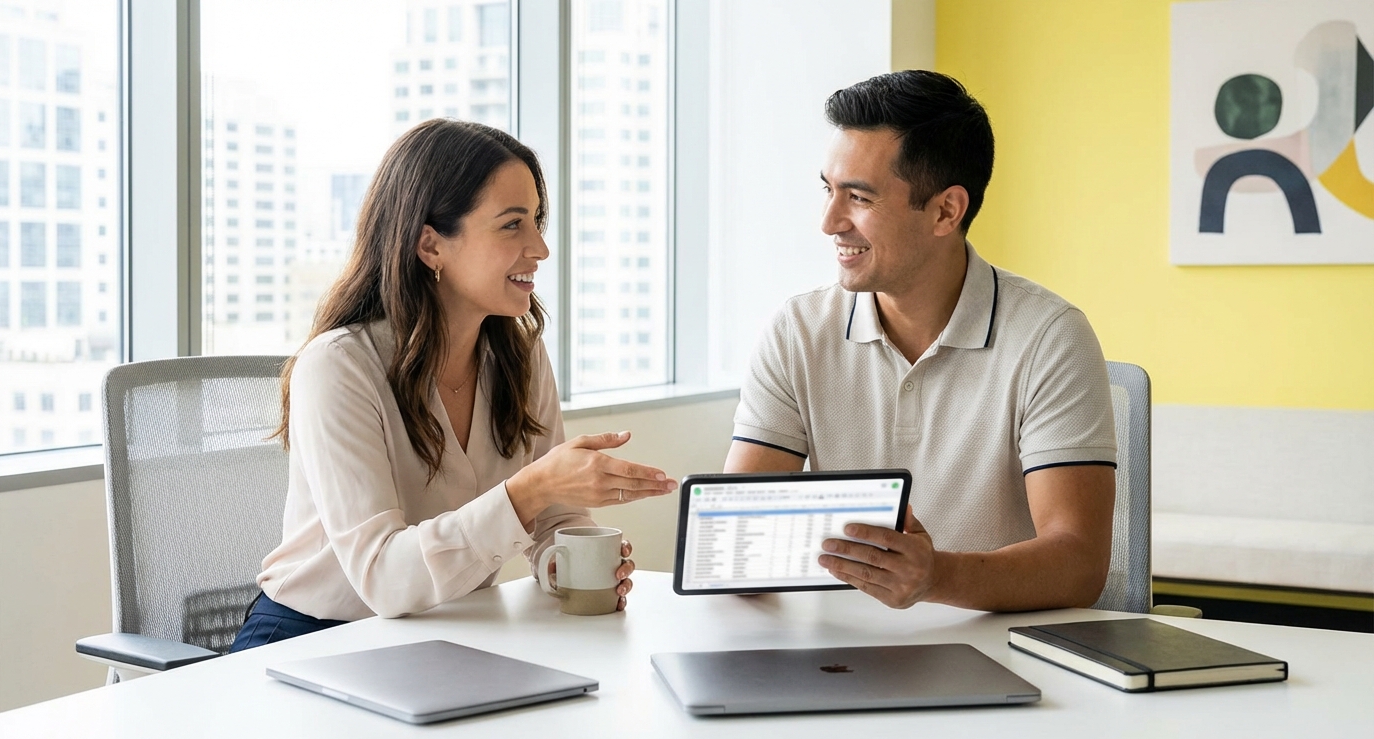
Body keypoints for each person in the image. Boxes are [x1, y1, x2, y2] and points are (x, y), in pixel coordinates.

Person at [231, 120, 677, 651]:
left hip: (448, 631)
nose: (540, 248)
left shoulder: (521, 354)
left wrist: (565, 562)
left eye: (536, 221)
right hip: (310, 638)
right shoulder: (338, 367)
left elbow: (553, 517)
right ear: (430, 246)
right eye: (512, 225)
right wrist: (530, 490)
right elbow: (381, 577)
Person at [725, 71, 1117, 612]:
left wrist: (935, 578)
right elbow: (740, 539)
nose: (829, 222)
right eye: (828, 189)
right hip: (842, 652)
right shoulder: (797, 331)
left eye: (859, 197)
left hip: (1001, 651)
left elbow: (1078, 564)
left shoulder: (1050, 338)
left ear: (945, 211)